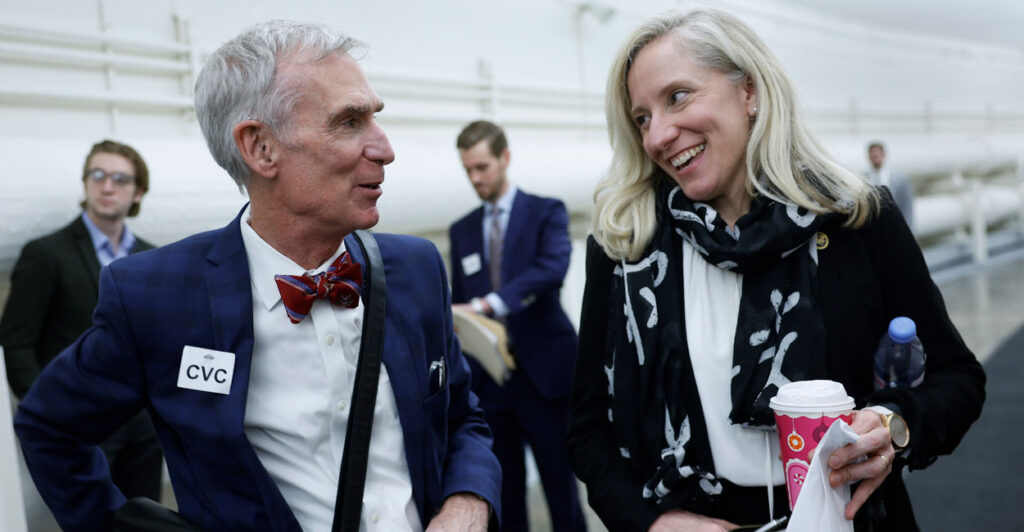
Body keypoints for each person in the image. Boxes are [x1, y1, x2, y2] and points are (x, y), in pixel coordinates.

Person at [14, 20, 500, 532]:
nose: (384, 148)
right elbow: (49, 426)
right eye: (350, 122)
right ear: (260, 148)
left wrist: (468, 498)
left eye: (374, 119)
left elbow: (461, 416)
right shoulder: (156, 297)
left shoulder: (416, 268)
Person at [566, 9, 985, 532]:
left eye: (677, 97)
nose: (657, 136)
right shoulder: (626, 245)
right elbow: (587, 427)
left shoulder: (857, 218)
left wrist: (891, 423)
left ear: (749, 92)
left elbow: (957, 378)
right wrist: (649, 521)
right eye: (642, 117)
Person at [0, 139, 164, 503]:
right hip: (80, 427)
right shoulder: (46, 254)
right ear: (86, 182)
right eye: (98, 175)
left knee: (147, 522)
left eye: (120, 179)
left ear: (138, 192)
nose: (107, 186)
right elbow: (16, 343)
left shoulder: (152, 258)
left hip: (143, 426)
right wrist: (51, 410)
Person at [449, 120, 586, 532]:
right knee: (503, 495)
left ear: (505, 158)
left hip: (544, 376)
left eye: (483, 167)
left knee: (559, 487)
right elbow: (461, 297)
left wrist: (487, 303)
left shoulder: (547, 211)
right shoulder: (462, 230)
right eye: (468, 170)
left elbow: (551, 270)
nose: (475, 178)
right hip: (491, 382)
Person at [866, 141, 914, 230]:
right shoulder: (865, 180)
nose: (875, 157)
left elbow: (907, 208)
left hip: (894, 227)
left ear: (884, 155)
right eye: (872, 155)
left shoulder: (900, 180)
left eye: (877, 155)